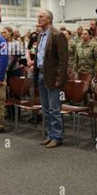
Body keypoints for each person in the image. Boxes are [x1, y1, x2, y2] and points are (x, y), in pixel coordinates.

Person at [34, 9, 68, 148]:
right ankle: (50, 135)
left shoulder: (57, 35)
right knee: (46, 108)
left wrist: (60, 79)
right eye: (38, 17)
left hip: (53, 77)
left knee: (54, 109)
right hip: (41, 74)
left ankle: (57, 136)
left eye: (41, 17)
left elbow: (63, 60)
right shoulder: (40, 35)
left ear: (49, 19)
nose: (39, 19)